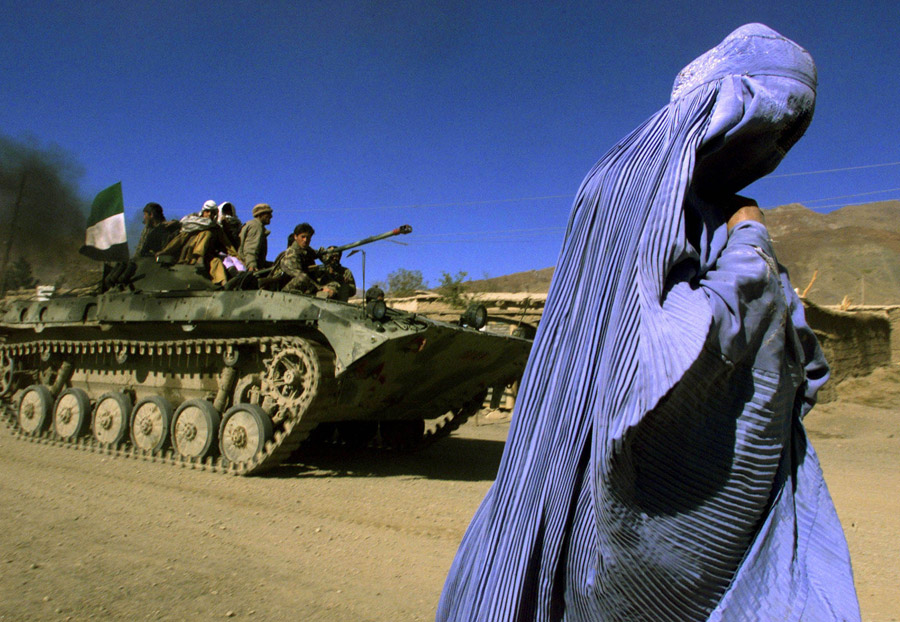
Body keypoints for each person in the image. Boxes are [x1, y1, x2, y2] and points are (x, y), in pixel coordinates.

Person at [437, 24, 860, 622]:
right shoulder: (673, 194)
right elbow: (676, 348)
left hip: (560, 439)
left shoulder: (616, 179)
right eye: (766, 125)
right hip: (626, 487)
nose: (768, 148)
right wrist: (750, 245)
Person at [156, 200, 237, 286]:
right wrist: (165, 251)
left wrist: (237, 256)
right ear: (203, 211)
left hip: (207, 256)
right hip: (189, 254)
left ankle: (224, 284)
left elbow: (227, 244)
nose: (209, 214)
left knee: (216, 262)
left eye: (212, 212)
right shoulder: (191, 226)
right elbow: (179, 240)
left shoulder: (215, 228)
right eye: (207, 211)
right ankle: (199, 257)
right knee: (207, 233)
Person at [280, 223, 319, 294]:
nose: (305, 240)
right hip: (286, 289)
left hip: (302, 285)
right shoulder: (292, 253)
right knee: (302, 278)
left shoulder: (306, 250)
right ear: (295, 237)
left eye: (308, 237)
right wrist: (319, 287)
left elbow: (317, 253)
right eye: (303, 237)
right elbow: (299, 275)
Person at [238, 203, 272, 272]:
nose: (271, 216)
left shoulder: (254, 225)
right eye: (268, 214)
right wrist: (251, 265)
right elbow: (250, 249)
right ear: (260, 214)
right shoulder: (256, 226)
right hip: (247, 266)